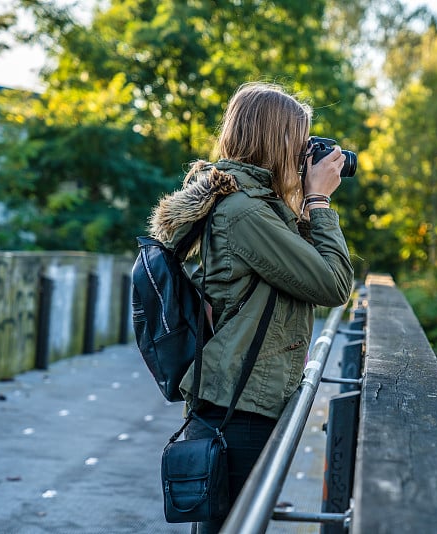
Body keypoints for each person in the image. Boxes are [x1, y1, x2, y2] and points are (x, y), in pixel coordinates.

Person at [147, 81, 354, 533]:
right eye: (300, 142)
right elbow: (335, 282)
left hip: (236, 403)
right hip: (239, 410)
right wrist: (319, 200)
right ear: (276, 141)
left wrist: (300, 200)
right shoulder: (244, 212)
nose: (306, 155)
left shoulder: (257, 206)